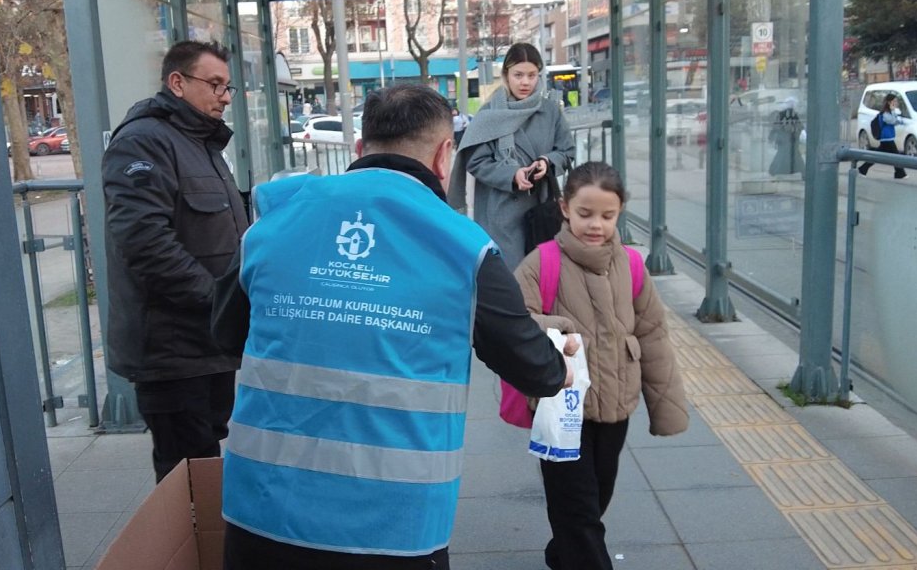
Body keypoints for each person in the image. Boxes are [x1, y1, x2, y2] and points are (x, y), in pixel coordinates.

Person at [212, 84, 574, 570]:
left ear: (360, 149)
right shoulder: (462, 248)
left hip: (263, 512)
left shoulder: (276, 219)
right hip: (391, 527)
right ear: (445, 156)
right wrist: (561, 367)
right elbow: (535, 369)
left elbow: (225, 334)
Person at [513, 161, 689, 570]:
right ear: (564, 208)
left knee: (596, 497)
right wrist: (558, 328)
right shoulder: (541, 263)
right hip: (561, 407)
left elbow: (653, 335)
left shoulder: (631, 265)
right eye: (585, 214)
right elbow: (514, 323)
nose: (596, 225)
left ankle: (563, 554)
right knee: (577, 507)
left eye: (607, 216)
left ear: (620, 211)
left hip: (614, 407)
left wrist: (667, 409)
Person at [101, 40, 250, 482]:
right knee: (187, 471)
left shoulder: (199, 142)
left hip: (207, 342)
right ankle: (190, 550)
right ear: (177, 83)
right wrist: (217, 298)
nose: (224, 96)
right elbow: (144, 241)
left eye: (228, 87)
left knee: (204, 458)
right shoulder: (145, 141)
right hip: (171, 346)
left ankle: (206, 545)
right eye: (215, 84)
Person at [450, 42, 576, 269]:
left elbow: (566, 151)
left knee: (544, 274)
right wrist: (512, 174)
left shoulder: (550, 111)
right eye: (518, 75)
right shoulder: (489, 114)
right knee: (512, 278)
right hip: (500, 212)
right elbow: (476, 162)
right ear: (506, 75)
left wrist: (547, 162)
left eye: (531, 75)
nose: (525, 82)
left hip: (542, 208)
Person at [858, 93, 907, 179]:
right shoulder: (885, 113)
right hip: (886, 138)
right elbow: (892, 121)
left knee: (878, 156)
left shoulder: (889, 112)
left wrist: (895, 114)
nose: (896, 103)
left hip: (888, 138)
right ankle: (900, 173)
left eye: (896, 101)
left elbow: (894, 121)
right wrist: (894, 113)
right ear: (889, 102)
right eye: (894, 101)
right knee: (896, 156)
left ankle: (863, 169)